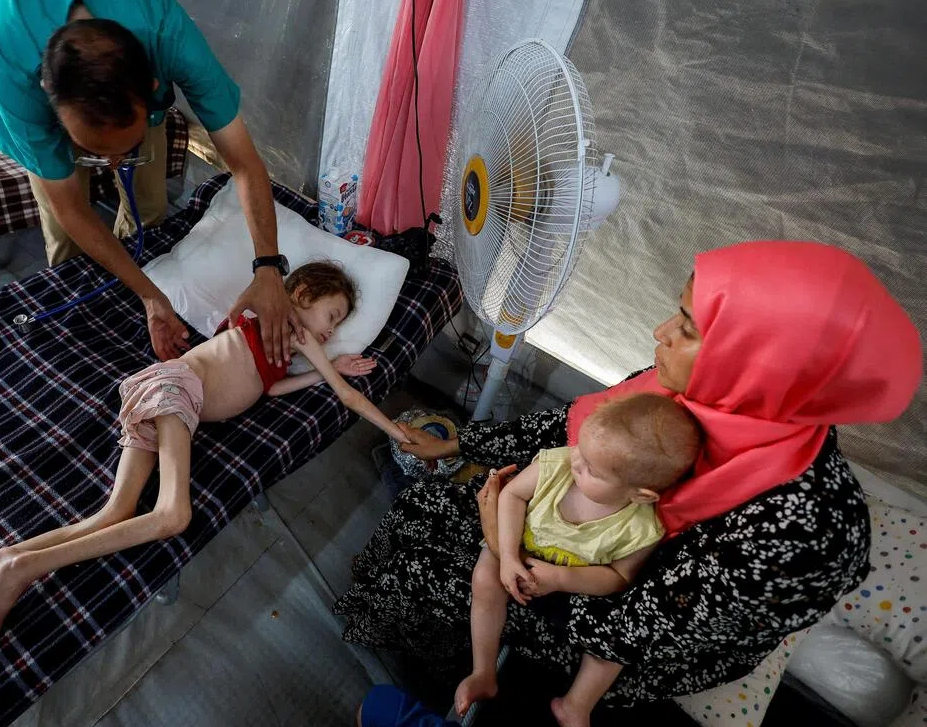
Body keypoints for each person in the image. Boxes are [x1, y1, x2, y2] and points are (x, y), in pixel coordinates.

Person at [335, 241, 923, 707]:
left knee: (426, 573)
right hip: (577, 546)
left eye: (689, 328)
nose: (660, 331)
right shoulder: (697, 392)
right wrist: (467, 444)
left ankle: (443, 674)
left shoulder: (801, 535)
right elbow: (575, 434)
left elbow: (624, 627)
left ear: (761, 361)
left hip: (621, 627)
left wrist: (499, 540)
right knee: (425, 508)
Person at [0, 263, 410, 670]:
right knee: (173, 516)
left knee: (112, 514)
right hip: (176, 391)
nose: (333, 329)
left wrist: (323, 372)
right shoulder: (288, 325)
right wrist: (396, 432)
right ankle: (19, 568)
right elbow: (346, 395)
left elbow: (270, 387)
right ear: (301, 294)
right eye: (333, 315)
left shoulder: (279, 349)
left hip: (162, 390)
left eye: (339, 324)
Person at [0, 0, 298, 365]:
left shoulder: (169, 38)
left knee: (148, 210)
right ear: (49, 100)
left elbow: (246, 164)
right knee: (65, 239)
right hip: (24, 39)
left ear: (152, 86)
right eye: (97, 151)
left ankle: (137, 286)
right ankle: (80, 340)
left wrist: (268, 266)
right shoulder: (11, 71)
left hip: (132, 44)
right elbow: (71, 208)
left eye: (125, 147)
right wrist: (149, 294)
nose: (114, 165)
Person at [455, 393, 702, 724]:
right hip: (519, 548)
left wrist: (560, 579)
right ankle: (483, 671)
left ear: (640, 495)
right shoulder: (557, 464)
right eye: (580, 451)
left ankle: (576, 704)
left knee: (615, 647)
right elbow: (512, 495)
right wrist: (510, 555)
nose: (576, 463)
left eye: (592, 469)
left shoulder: (642, 528)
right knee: (485, 579)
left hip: (575, 582)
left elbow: (619, 577)